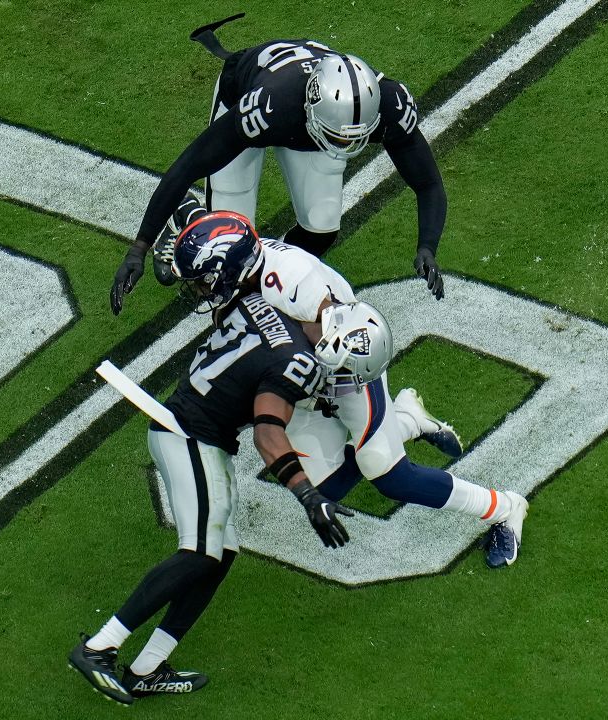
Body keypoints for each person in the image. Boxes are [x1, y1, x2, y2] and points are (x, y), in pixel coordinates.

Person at [69, 243, 386, 704]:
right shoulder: (295, 361)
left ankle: (148, 666)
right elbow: (268, 435)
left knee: (222, 554)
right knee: (200, 553)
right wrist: (308, 495)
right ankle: (100, 647)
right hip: (189, 436)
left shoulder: (262, 303)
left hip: (193, 426)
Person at [165, 207, 528, 569]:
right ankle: (406, 420)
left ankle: (504, 508)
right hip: (304, 373)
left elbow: (339, 339)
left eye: (204, 280)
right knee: (329, 488)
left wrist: (289, 377)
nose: (201, 289)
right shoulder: (247, 266)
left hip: (345, 368)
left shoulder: (296, 285)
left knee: (390, 475)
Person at [110, 13, 448, 317]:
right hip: (250, 93)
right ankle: (186, 214)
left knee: (321, 226)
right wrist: (139, 247)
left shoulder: (384, 106)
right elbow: (188, 165)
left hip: (308, 121)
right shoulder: (269, 108)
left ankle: (271, 284)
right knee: (227, 245)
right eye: (339, 137)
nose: (345, 146)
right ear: (315, 109)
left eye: (353, 139)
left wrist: (427, 246)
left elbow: (428, 183)